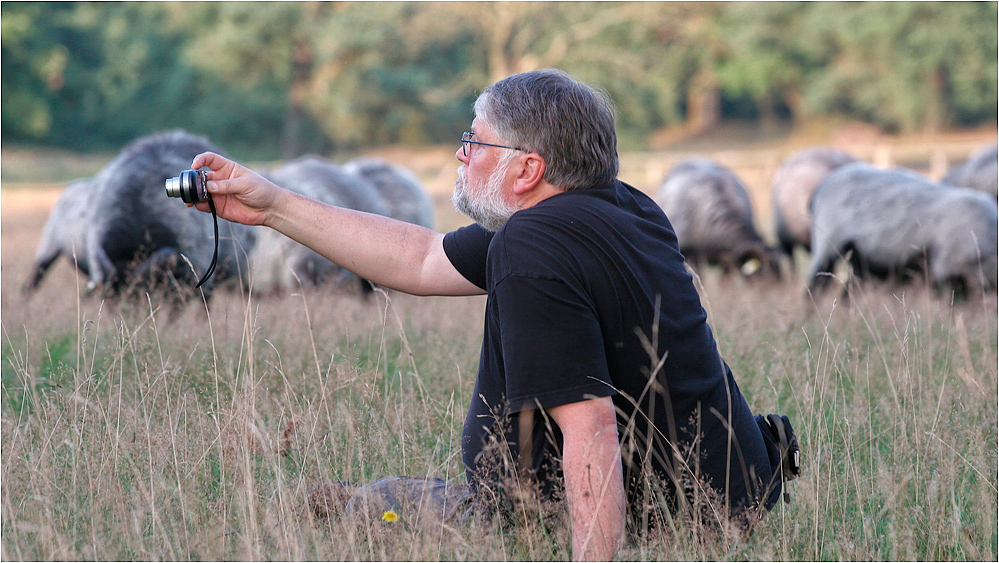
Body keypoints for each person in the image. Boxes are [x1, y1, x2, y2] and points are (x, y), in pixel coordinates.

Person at [188, 69, 791, 561]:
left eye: (476, 141)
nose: (461, 151)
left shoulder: (534, 248)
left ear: (527, 169)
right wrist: (271, 205)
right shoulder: (621, 205)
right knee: (385, 500)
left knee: (357, 510)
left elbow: (591, 428)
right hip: (720, 504)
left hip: (635, 525)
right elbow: (422, 259)